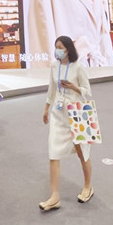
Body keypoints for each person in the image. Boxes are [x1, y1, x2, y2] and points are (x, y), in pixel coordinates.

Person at [40, 36, 95, 212]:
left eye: (60, 47)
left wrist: (73, 87)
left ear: (68, 49)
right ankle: (54, 196)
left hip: (77, 113)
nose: (57, 50)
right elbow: (51, 89)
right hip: (58, 114)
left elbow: (87, 91)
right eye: (56, 46)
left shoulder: (77, 67)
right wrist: (46, 108)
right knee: (53, 152)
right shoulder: (54, 66)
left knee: (82, 151)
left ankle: (88, 186)